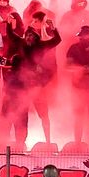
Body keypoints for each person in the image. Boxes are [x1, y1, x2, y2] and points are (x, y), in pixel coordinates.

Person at [25, 12, 62, 143]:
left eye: (36, 21)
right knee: (19, 112)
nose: (33, 24)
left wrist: (51, 28)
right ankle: (19, 142)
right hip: (24, 84)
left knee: (44, 114)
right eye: (32, 21)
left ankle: (48, 141)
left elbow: (56, 40)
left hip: (37, 84)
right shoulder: (25, 40)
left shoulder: (41, 44)